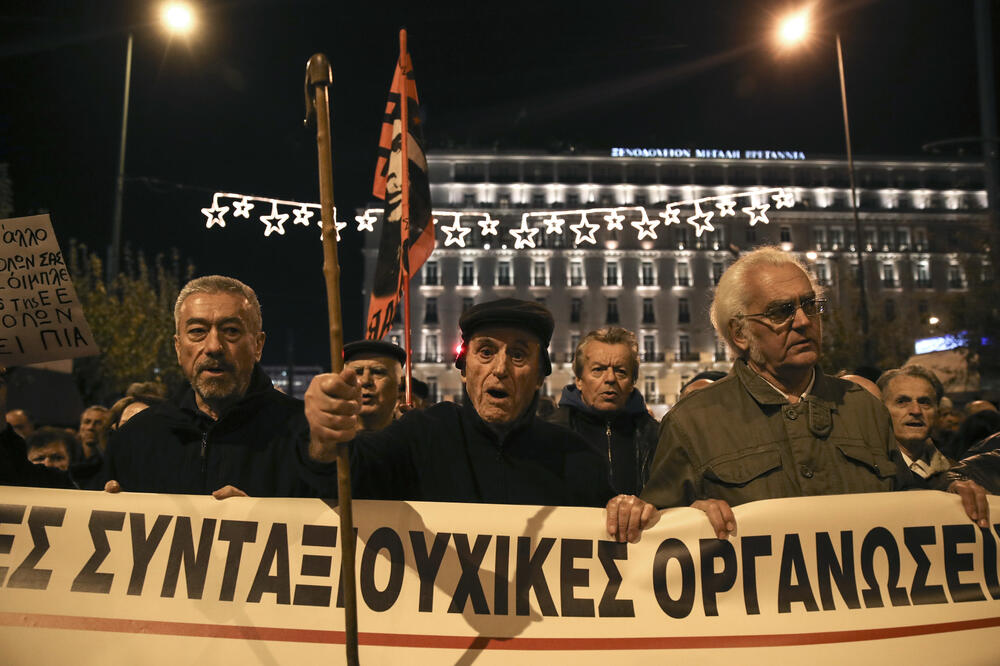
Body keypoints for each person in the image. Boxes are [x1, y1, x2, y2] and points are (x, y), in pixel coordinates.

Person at [637, 247, 989, 538]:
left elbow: (903, 506)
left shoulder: (864, 408)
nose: (804, 321)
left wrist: (949, 496)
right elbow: (654, 537)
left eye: (810, 305)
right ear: (740, 334)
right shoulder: (693, 422)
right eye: (782, 311)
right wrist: (684, 518)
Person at [305, 298, 657, 542]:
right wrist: (325, 438)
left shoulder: (575, 458)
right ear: (465, 369)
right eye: (486, 352)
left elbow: (617, 537)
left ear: (538, 376)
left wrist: (626, 511)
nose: (500, 369)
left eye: (518, 355)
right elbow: (345, 476)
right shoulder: (422, 435)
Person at [99, 275, 336, 498]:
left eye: (231, 331)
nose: (213, 346)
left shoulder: (306, 438)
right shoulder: (134, 438)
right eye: (197, 332)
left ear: (258, 345)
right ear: (178, 348)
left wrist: (261, 519)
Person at [547, 326, 658, 495]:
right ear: (579, 380)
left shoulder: (657, 436)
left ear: (632, 382)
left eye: (621, 371)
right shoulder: (551, 434)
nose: (610, 378)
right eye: (598, 370)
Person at [876, 366, 952, 484]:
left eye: (925, 402)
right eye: (902, 402)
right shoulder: (867, 473)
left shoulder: (956, 474)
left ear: (937, 410)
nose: (916, 411)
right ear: (880, 409)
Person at [343, 340, 405, 431]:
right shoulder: (329, 439)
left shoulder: (417, 440)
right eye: (357, 372)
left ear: (399, 386)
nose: (365, 381)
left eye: (378, 372)